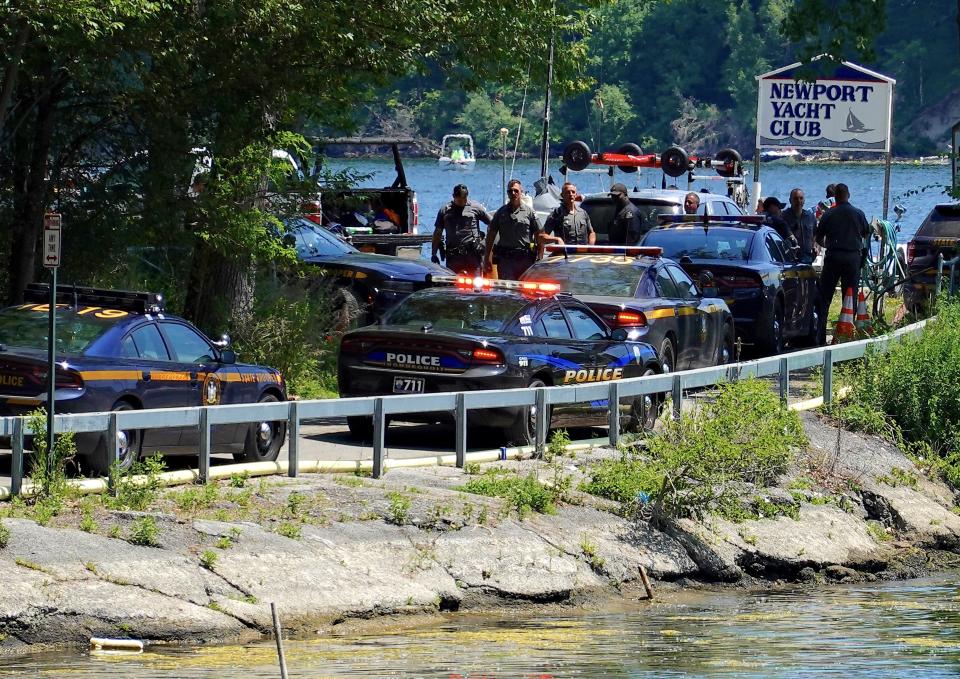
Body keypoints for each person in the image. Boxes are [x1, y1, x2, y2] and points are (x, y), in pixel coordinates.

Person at [815, 183, 869, 335]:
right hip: (852, 258)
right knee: (850, 295)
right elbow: (866, 233)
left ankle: (820, 329)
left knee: (825, 295)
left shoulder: (828, 215)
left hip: (833, 256)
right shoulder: (858, 213)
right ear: (848, 195)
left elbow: (818, 238)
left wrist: (829, 245)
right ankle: (848, 330)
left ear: (835, 197)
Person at [484, 179, 541, 279]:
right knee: (507, 290)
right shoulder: (501, 213)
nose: (513, 193)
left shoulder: (529, 212)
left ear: (521, 192)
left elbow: (539, 235)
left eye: (516, 191)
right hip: (506, 260)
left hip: (525, 260)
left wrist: (540, 258)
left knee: (525, 291)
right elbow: (491, 235)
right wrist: (486, 258)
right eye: (510, 191)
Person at [432, 184, 491, 275]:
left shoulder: (475, 207)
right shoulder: (445, 210)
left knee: (476, 286)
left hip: (473, 256)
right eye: (459, 200)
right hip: (453, 257)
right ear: (454, 197)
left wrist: (485, 242)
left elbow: (492, 224)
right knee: (453, 286)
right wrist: (434, 253)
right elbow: (437, 233)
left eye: (464, 199)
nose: (462, 201)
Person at [539, 182, 595, 256]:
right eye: (568, 192)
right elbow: (541, 237)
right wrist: (557, 239)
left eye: (573, 192)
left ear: (576, 194)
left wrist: (591, 246)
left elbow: (592, 232)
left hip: (582, 256)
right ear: (562, 195)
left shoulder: (583, 213)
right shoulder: (556, 214)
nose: (571, 194)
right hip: (563, 256)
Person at [781, 188, 817, 263]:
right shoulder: (784, 216)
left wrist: (815, 247)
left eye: (801, 198)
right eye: (795, 198)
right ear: (790, 200)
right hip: (789, 258)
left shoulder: (810, 217)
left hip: (807, 257)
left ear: (804, 200)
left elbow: (815, 234)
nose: (799, 201)